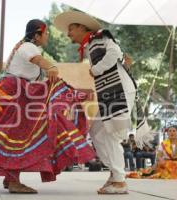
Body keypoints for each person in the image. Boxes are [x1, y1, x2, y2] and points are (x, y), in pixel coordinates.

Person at [0, 19, 95, 194]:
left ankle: (10, 178)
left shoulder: (24, 47)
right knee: (17, 134)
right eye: (45, 33)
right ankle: (14, 181)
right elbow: (39, 61)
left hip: (14, 93)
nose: (47, 36)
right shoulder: (28, 47)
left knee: (12, 135)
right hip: (14, 94)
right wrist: (51, 66)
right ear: (37, 35)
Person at [54, 11, 152, 194]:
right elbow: (119, 55)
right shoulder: (93, 43)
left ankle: (120, 180)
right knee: (96, 132)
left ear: (83, 27)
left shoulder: (98, 38)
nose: (69, 34)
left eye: (71, 29)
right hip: (112, 92)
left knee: (112, 134)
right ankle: (116, 174)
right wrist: (122, 61)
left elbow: (114, 52)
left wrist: (96, 69)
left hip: (119, 91)